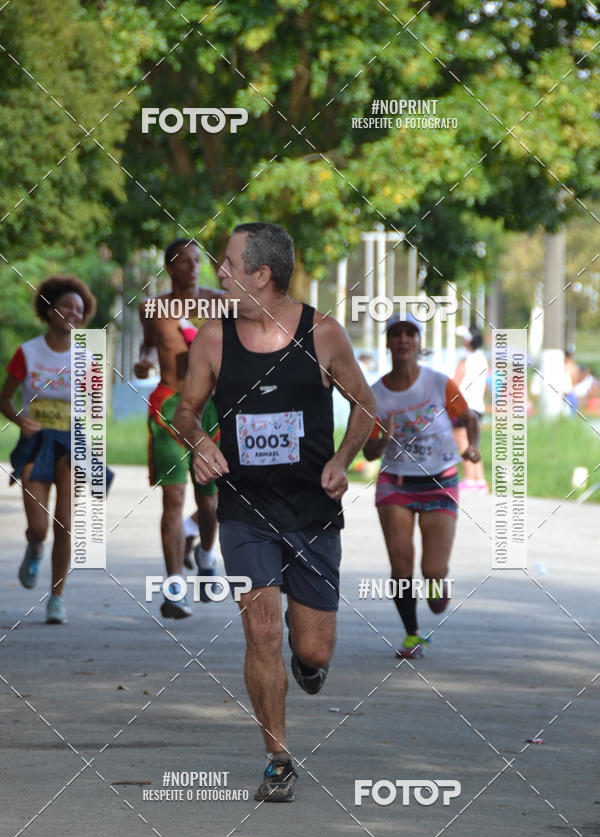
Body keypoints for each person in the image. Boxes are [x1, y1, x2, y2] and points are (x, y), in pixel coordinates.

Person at [174, 222, 376, 802]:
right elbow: (185, 411)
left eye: (229, 263)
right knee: (259, 628)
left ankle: (308, 662)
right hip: (243, 510)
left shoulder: (324, 334)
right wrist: (200, 442)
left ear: (261, 275)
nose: (220, 271)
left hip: (311, 510)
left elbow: (366, 405)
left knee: (311, 648)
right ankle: (278, 757)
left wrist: (343, 459)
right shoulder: (213, 340)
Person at [363, 313, 481, 659]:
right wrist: (381, 439)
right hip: (394, 484)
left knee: (432, 571)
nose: (402, 340)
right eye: (395, 334)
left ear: (418, 342)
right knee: (401, 568)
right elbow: (369, 452)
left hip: (440, 481)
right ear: (387, 343)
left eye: (409, 334)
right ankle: (412, 634)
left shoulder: (438, 383)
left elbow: (469, 418)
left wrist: (471, 446)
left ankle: (438, 581)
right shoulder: (376, 395)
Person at [134, 238, 225, 618]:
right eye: (183, 261)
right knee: (172, 499)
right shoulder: (152, 307)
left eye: (196, 260)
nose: (192, 266)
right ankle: (174, 590)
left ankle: (205, 553)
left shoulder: (221, 302)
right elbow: (149, 346)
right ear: (169, 267)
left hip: (211, 410)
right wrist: (144, 361)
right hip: (169, 407)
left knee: (209, 503)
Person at [0, 276, 97, 623]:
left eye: (81, 309)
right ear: (50, 309)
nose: (74, 313)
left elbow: (94, 407)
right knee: (40, 525)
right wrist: (20, 420)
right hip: (35, 442)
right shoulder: (28, 352)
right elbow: (4, 397)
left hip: (70, 442)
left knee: (65, 524)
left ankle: (57, 598)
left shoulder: (87, 357)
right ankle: (34, 546)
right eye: (68, 306)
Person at [452, 324, 489, 492]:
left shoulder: (465, 360)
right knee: (473, 443)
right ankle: (480, 479)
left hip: (464, 406)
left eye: (464, 338)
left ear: (469, 340)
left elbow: (454, 384)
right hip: (477, 406)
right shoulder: (482, 359)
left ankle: (469, 479)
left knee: (463, 442)